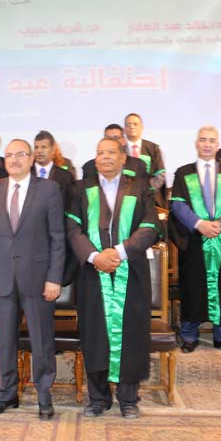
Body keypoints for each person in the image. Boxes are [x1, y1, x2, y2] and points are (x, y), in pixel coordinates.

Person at [67, 137, 158, 418]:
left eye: (110, 152)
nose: (105, 157)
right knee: (94, 333)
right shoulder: (81, 189)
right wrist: (95, 256)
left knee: (131, 333)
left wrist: (118, 252)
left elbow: (150, 227)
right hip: (92, 274)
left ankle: (128, 399)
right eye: (100, 153)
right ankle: (98, 398)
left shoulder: (140, 187)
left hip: (130, 272)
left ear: (123, 158)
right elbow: (72, 229)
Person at [0, 139, 64, 420]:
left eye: (20, 155)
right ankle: (7, 393)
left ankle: (43, 395)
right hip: (2, 277)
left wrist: (54, 278)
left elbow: (57, 237)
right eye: (9, 155)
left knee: (41, 340)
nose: (14, 160)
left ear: (31, 159)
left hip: (38, 279)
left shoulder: (49, 189)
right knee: (5, 340)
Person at [170, 126, 221, 354]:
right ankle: (189, 336)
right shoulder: (183, 173)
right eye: (203, 140)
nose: (207, 144)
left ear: (217, 145)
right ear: (196, 143)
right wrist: (199, 224)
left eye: (212, 140)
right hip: (194, 240)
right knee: (193, 288)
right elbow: (178, 204)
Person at [124, 113, 167, 207]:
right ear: (124, 129)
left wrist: (145, 189)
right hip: (125, 200)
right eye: (128, 124)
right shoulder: (120, 151)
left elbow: (160, 175)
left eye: (135, 124)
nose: (132, 127)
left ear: (142, 127)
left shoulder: (153, 148)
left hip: (150, 198)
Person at [82, 124, 148, 182]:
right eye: (108, 138)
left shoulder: (138, 165)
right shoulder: (89, 167)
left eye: (116, 138)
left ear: (124, 141)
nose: (112, 141)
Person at [32, 130, 74, 201]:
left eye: (44, 147)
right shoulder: (26, 173)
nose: (39, 151)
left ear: (53, 150)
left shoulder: (66, 177)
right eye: (36, 147)